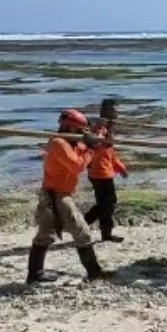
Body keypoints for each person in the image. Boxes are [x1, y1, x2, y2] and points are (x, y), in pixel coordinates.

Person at [26, 108, 111, 284]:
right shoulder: (58, 143)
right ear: (72, 129)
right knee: (82, 233)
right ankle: (94, 273)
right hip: (56, 196)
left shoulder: (73, 143)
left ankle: (35, 273)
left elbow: (89, 155)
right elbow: (78, 166)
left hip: (55, 195)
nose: (82, 133)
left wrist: (98, 137)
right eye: (80, 130)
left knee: (44, 235)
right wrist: (90, 148)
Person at [83, 98, 128, 243]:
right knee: (108, 204)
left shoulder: (107, 128)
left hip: (105, 171)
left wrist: (120, 167)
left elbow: (110, 153)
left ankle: (85, 225)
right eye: (114, 110)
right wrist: (107, 135)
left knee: (106, 203)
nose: (117, 113)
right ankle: (90, 227)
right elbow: (95, 148)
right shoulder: (99, 128)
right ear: (106, 111)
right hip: (99, 172)